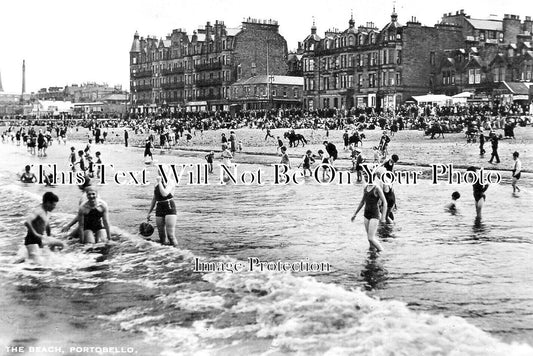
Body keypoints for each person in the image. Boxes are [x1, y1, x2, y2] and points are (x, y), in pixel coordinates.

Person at [351, 170, 388, 252]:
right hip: (366, 214)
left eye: (368, 176)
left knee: (371, 238)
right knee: (370, 242)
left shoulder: (377, 188)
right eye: (365, 176)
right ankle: (371, 259)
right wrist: (355, 214)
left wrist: (383, 217)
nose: (367, 177)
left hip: (374, 215)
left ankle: (382, 253)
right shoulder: (365, 187)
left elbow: (385, 202)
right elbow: (362, 202)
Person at [24, 192, 64, 263]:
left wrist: (49, 238)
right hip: (32, 240)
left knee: (61, 244)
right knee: (35, 265)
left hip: (41, 239)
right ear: (48, 203)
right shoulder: (38, 211)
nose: (54, 207)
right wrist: (36, 234)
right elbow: (27, 222)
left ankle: (51, 259)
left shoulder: (47, 212)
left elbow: (47, 226)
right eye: (54, 205)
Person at [147, 174, 178, 246]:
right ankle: (165, 254)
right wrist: (149, 212)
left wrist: (160, 182)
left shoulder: (170, 181)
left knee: (170, 236)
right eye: (159, 172)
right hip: (159, 207)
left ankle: (176, 252)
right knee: (161, 236)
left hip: (169, 206)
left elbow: (164, 194)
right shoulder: (156, 183)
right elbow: (154, 198)